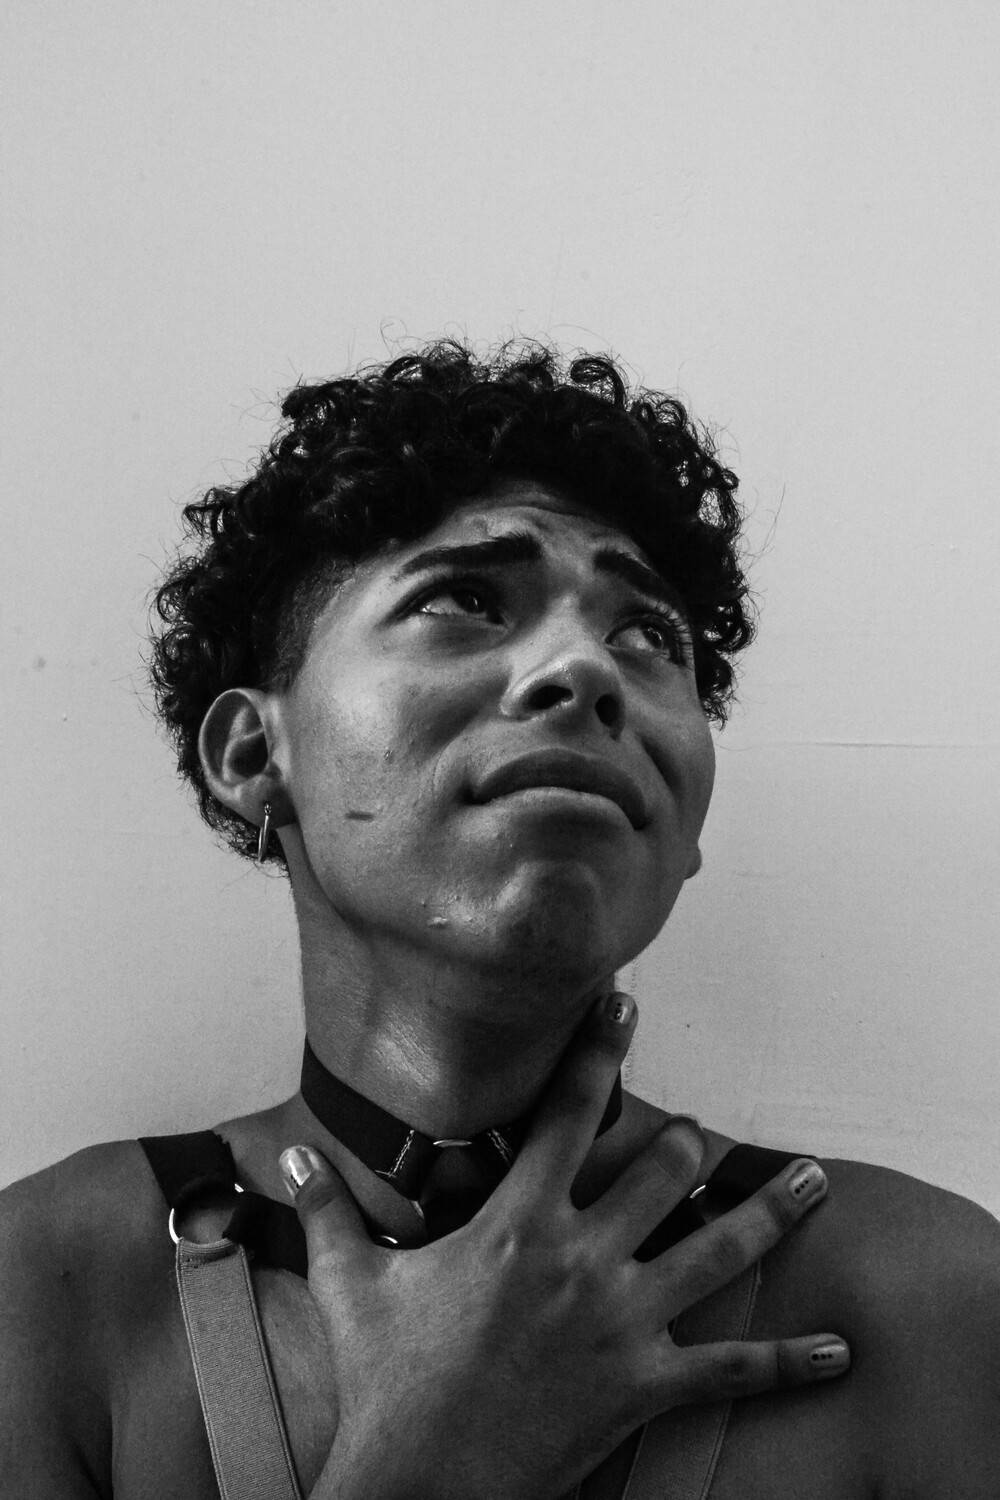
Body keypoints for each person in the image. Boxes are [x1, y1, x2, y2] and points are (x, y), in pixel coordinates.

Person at [1, 340, 997, 1500]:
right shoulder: (45, 1294)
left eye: (646, 636)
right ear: (252, 755)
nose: (587, 670)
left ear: (684, 827)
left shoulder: (928, 1300)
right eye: (464, 600)